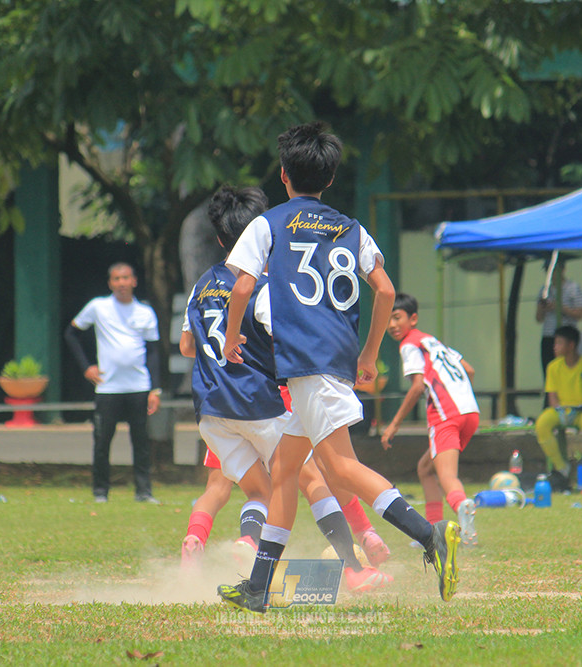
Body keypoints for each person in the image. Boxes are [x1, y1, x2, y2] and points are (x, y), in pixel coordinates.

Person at [217, 122, 460, 614]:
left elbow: (241, 288)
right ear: (328, 180)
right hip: (331, 362)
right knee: (286, 470)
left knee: (341, 468)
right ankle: (259, 586)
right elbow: (386, 291)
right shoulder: (351, 227)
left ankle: (429, 534)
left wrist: (230, 335)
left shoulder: (269, 224)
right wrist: (369, 354)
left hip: (308, 365)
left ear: (283, 176)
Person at [180, 185, 389, 592]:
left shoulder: (202, 284)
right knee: (314, 481)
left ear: (221, 238)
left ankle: (243, 541)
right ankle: (354, 569)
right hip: (259, 402)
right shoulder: (262, 286)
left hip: (211, 409)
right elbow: (283, 338)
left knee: (252, 489)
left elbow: (188, 346)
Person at [379, 292, 479, 545]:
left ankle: (462, 508)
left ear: (413, 319)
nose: (392, 325)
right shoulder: (431, 341)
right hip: (470, 411)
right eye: (388, 319)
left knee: (447, 476)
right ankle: (433, 529)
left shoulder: (409, 344)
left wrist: (394, 425)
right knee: (426, 468)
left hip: (445, 414)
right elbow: (469, 369)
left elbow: (416, 387)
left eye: (397, 318)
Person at [65, 263, 161, 503]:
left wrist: (155, 389)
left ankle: (143, 492)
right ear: (110, 283)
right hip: (108, 387)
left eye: (126, 278)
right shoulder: (99, 307)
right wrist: (87, 367)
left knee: (140, 443)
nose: (121, 283)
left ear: (134, 281)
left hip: (138, 386)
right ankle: (100, 492)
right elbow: (71, 333)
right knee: (102, 442)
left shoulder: (145, 312)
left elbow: (153, 352)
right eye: (117, 279)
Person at [534, 325, 582, 491]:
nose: (555, 347)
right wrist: (559, 409)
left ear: (571, 345)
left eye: (559, 343)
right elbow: (552, 396)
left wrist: (580, 407)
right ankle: (561, 467)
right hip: (561, 411)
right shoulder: (553, 366)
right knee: (542, 423)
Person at [536, 260, 582, 379]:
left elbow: (580, 314)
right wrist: (542, 308)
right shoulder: (544, 290)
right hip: (548, 335)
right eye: (548, 271)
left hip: (567, 336)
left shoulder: (573, 288)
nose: (551, 274)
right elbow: (538, 318)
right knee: (549, 373)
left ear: (562, 270)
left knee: (567, 371)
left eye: (553, 271)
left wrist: (559, 307)